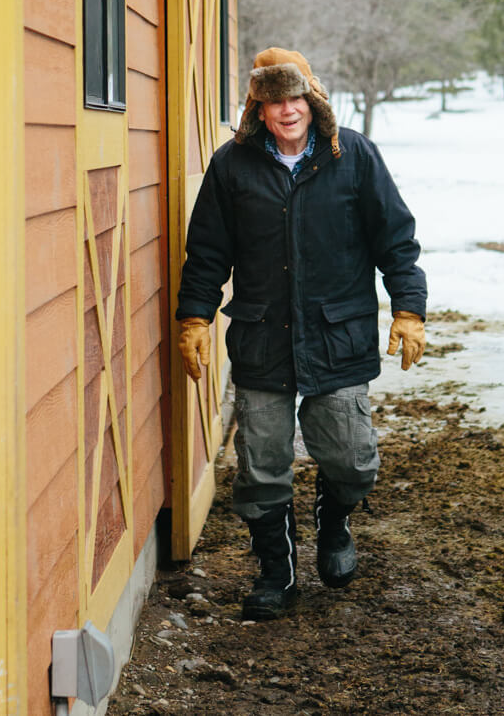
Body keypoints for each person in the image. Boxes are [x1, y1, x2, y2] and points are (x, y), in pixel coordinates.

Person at [177, 46, 427, 620]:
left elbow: (397, 240)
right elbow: (207, 253)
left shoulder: (354, 156)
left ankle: (334, 521)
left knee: (354, 459)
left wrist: (408, 308)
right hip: (264, 337)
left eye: (295, 98)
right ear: (257, 109)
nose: (286, 110)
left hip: (337, 337)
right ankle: (276, 573)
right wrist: (195, 317)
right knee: (261, 464)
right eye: (273, 101)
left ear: (312, 100)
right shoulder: (232, 165)